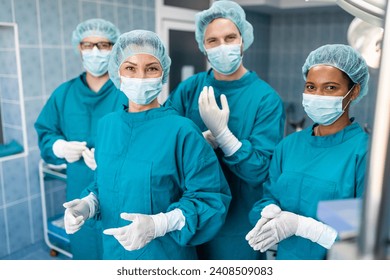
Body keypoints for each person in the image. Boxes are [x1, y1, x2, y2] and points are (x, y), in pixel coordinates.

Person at [61, 30, 232, 260]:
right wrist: (87, 205)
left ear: (163, 74)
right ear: (117, 73)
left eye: (151, 68)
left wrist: (158, 224)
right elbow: (108, 185)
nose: (140, 76)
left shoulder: (182, 131)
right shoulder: (107, 126)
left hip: (163, 257)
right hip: (114, 253)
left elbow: (210, 200)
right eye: (130, 68)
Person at [164, 0, 285, 260]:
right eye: (213, 41)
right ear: (203, 47)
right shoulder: (190, 88)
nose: (222, 46)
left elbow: (260, 170)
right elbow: (164, 138)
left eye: (230, 37)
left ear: (243, 40)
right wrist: (197, 141)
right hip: (190, 213)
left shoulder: (266, 99)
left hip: (238, 223)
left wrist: (224, 137)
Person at [246, 44, 370, 260]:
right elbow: (269, 196)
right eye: (311, 87)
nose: (318, 95)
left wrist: (305, 227)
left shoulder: (365, 153)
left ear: (354, 91)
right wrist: (268, 211)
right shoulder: (288, 146)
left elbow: (367, 233)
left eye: (330, 88)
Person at [34, 18, 127, 259]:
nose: (95, 51)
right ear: (79, 48)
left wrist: (114, 158)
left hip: (123, 193)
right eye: (88, 45)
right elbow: (46, 132)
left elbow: (149, 139)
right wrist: (59, 146)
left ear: (114, 48)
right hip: (78, 194)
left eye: (103, 45)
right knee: (86, 254)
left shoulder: (127, 91)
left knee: (122, 255)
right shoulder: (64, 94)